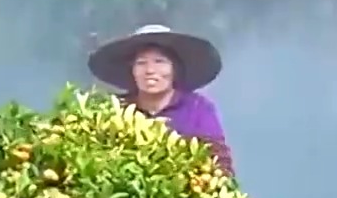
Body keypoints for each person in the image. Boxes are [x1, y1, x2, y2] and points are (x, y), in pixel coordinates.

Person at [86, 23, 234, 175]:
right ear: (132, 71)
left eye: (159, 61)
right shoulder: (115, 109)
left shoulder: (198, 108)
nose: (150, 70)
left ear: (174, 69)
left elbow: (219, 161)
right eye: (141, 63)